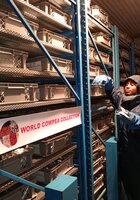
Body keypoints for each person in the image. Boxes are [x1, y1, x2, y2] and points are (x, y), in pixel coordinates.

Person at [93, 75, 140, 200]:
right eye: (126, 84)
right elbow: (113, 93)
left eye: (132, 84)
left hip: (137, 153)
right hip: (125, 152)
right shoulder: (122, 100)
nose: (128, 86)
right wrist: (108, 84)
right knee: (127, 182)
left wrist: (136, 121)